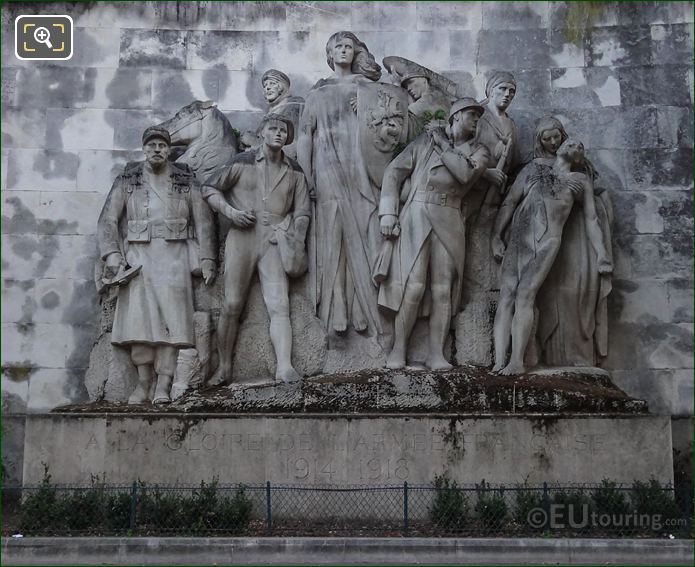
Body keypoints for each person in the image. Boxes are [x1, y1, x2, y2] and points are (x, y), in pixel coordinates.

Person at [97, 126, 216, 404]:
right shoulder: (129, 178)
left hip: (175, 257)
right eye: (152, 145)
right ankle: (143, 384)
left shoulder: (185, 179)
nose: (157, 150)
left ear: (169, 149)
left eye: (162, 145)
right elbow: (108, 220)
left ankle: (164, 384)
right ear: (144, 149)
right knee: (138, 323)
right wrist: (113, 256)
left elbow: (204, 220)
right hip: (138, 259)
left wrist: (208, 258)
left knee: (172, 325)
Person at [377, 98, 490, 370]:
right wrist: (389, 212)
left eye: (477, 116)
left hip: (449, 215)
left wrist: (442, 145)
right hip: (417, 213)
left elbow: (464, 174)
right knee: (412, 286)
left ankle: (436, 353)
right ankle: (399, 349)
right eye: (470, 115)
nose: (476, 120)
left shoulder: (480, 151)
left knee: (443, 289)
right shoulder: (423, 142)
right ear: (455, 116)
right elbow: (394, 171)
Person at [202, 114, 311, 384]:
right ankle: (225, 367)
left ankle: (284, 366)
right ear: (261, 132)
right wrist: (231, 212)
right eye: (273, 128)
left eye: (283, 130)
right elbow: (209, 188)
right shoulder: (242, 162)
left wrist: (295, 239)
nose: (278, 134)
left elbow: (303, 211)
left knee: (279, 305)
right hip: (243, 235)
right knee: (232, 304)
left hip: (274, 238)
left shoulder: (295, 170)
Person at [491, 138, 613, 375]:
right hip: (519, 238)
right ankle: (498, 360)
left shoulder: (580, 181)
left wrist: (602, 255)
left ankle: (517, 360)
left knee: (525, 294)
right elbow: (510, 202)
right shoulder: (533, 170)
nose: (576, 147)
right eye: (572, 143)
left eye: (581, 146)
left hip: (548, 242)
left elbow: (591, 219)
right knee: (506, 296)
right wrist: (496, 235)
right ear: (559, 147)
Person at [297, 31, 383, 336]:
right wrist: (307, 176)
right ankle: (337, 308)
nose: (344, 51)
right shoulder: (317, 93)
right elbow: (305, 136)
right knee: (333, 238)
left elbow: (389, 129)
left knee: (363, 236)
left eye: (349, 46)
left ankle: (363, 304)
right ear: (330, 55)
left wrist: (370, 114)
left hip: (360, 171)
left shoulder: (370, 89)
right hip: (327, 171)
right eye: (338, 47)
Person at [531, 119, 613, 367]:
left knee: (575, 293)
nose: (554, 143)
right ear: (540, 141)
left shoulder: (581, 170)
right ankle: (548, 354)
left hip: (576, 236)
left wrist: (602, 253)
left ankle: (579, 355)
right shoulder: (536, 168)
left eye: (558, 137)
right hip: (544, 238)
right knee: (548, 295)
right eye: (548, 139)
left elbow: (592, 209)